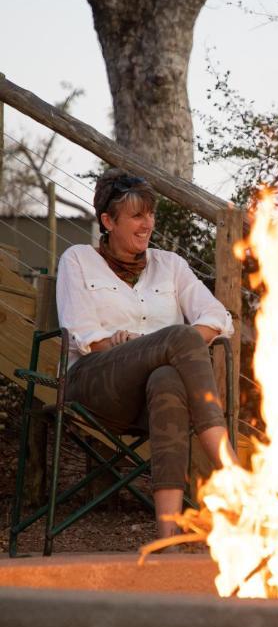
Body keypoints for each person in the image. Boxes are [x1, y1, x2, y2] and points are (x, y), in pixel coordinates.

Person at [56, 168, 236, 540]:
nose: (148, 224)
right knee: (179, 339)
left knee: (168, 379)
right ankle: (228, 466)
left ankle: (167, 538)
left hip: (149, 395)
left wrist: (159, 344)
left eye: (151, 214)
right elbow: (83, 334)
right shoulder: (77, 259)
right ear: (108, 220)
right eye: (137, 216)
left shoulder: (170, 265)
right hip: (95, 385)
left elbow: (218, 317)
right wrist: (148, 344)